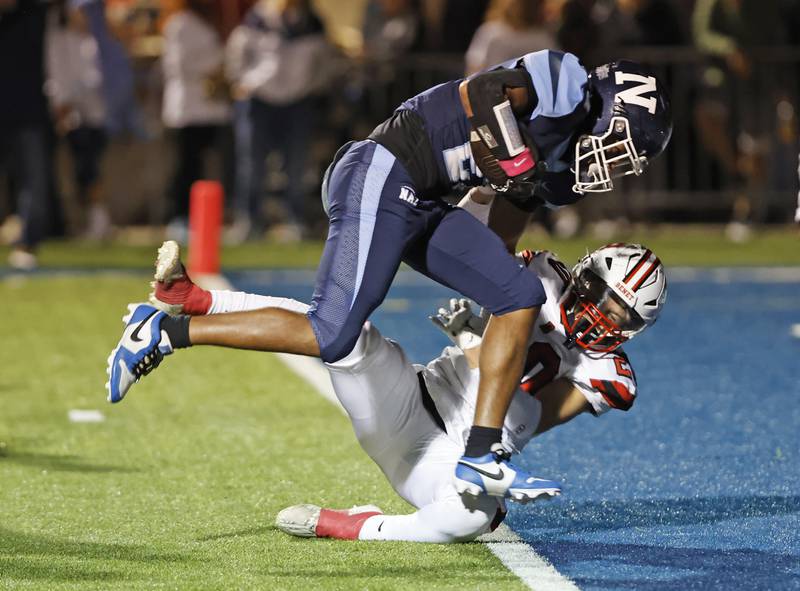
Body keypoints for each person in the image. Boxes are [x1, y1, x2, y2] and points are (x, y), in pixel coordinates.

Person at [106, 49, 672, 502]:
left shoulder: (563, 165)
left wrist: (485, 318)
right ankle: (163, 331)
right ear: (611, 109)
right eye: (625, 147)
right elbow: (482, 93)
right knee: (334, 333)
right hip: (388, 166)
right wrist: (518, 159)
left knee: (518, 293)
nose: (619, 163)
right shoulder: (566, 83)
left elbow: (500, 242)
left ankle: (480, 454)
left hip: (426, 200)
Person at [112, 231, 666, 542]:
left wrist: (474, 338)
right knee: (342, 331)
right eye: (601, 295)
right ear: (583, 275)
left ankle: (358, 527)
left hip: (448, 459)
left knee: (473, 519)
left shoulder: (608, 374)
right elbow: (489, 353)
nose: (603, 316)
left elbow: (527, 414)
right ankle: (196, 302)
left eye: (621, 315)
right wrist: (476, 334)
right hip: (408, 398)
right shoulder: (541, 276)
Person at [225, 0, 331, 242]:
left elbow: (324, 62)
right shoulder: (256, 19)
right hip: (259, 99)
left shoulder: (313, 23)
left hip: (298, 100)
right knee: (252, 164)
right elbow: (237, 53)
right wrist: (242, 82)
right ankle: (250, 220)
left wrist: (313, 87)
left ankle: (295, 220)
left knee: (296, 164)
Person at [161, 0, 232, 241]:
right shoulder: (179, 24)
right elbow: (178, 63)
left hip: (209, 109)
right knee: (185, 166)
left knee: (205, 167)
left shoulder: (210, 23)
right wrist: (213, 66)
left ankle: (203, 218)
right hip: (187, 109)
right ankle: (179, 216)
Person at [46, 0, 112, 240]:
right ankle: (89, 220)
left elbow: (94, 80)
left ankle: (98, 220)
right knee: (81, 171)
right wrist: (63, 104)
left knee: (89, 169)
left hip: (92, 116)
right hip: (72, 115)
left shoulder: (91, 40)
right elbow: (60, 77)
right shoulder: (60, 39)